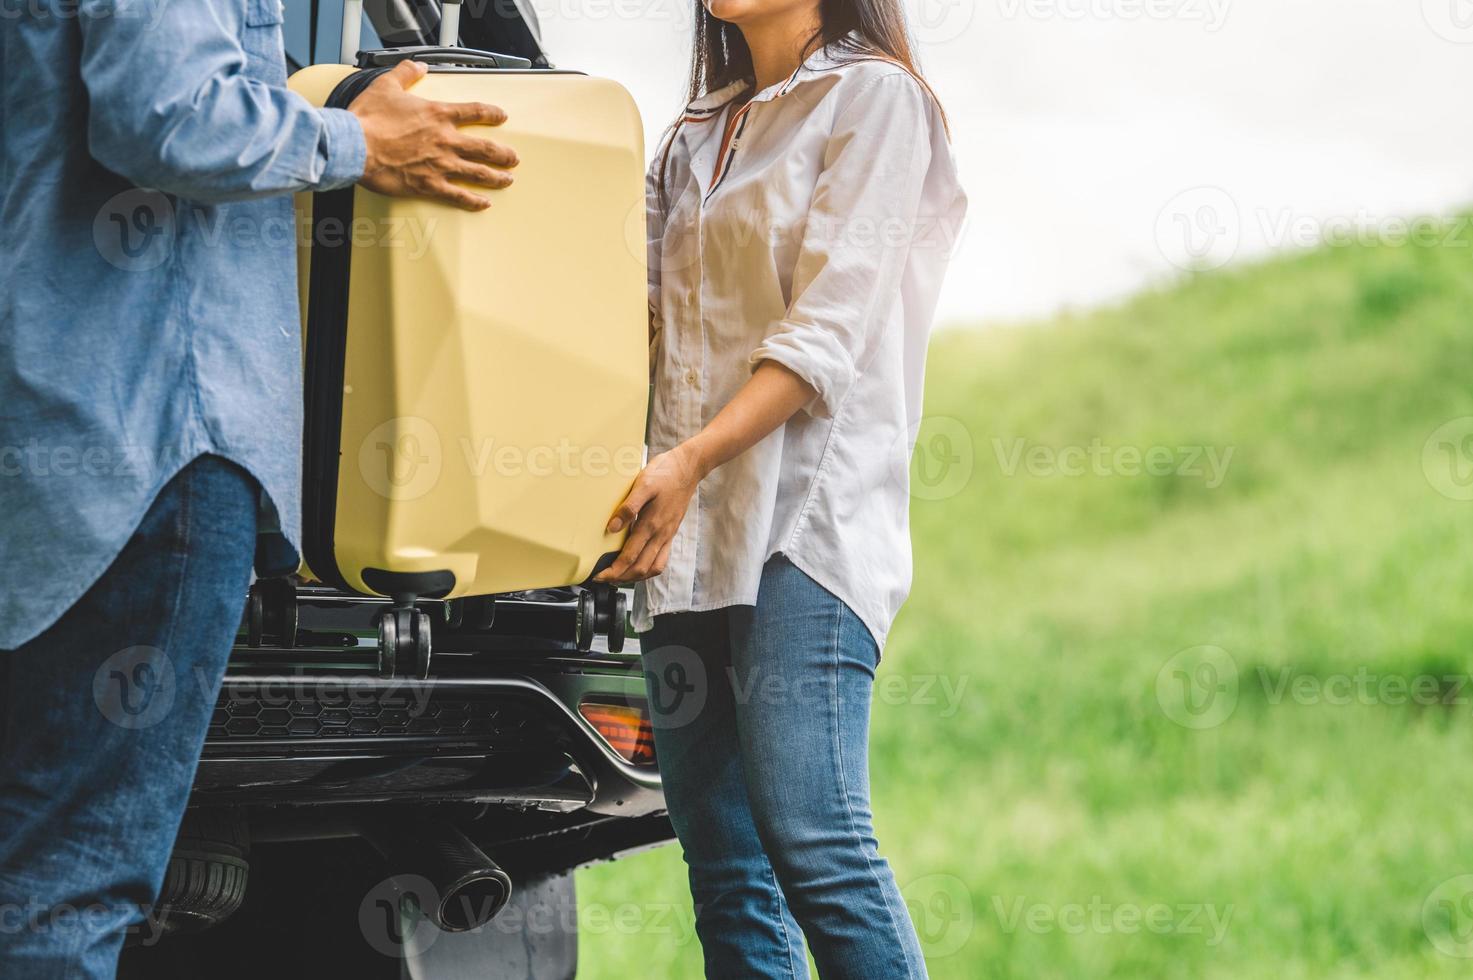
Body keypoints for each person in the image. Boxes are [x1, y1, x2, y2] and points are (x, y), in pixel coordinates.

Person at [0, 4, 517, 976]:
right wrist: (359, 141)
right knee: (66, 882)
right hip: (156, 437)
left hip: (57, 430)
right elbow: (165, 112)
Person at [593, 0, 966, 974]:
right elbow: (628, 320)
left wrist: (686, 459)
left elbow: (824, 337)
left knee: (817, 843)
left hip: (809, 525)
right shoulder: (691, 135)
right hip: (685, 539)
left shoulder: (876, 100)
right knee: (726, 870)